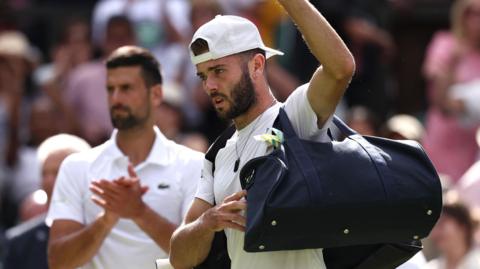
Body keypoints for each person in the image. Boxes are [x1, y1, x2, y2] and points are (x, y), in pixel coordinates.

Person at [169, 0, 355, 268]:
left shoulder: (294, 117)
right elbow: (179, 258)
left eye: (219, 71)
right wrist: (208, 222)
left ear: (257, 65)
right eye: (202, 76)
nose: (209, 85)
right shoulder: (216, 154)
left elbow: (341, 68)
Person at [47, 46, 204, 269]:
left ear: (156, 94)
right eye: (110, 89)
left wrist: (139, 212)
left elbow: (197, 256)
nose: (116, 98)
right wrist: (106, 220)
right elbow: (58, 262)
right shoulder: (75, 166)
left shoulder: (194, 164)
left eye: (126, 88)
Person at [3, 134, 90, 269]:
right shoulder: (20, 243)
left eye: (58, 172)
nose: (48, 181)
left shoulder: (110, 230)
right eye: (44, 173)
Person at [422, 0, 480, 183]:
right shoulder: (445, 43)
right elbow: (440, 102)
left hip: (473, 146)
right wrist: (453, 61)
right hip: (443, 140)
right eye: (472, 13)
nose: (477, 19)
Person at [424, 202, 480, 269]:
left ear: (462, 227)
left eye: (442, 224)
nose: (435, 232)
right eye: (434, 226)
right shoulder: (431, 266)